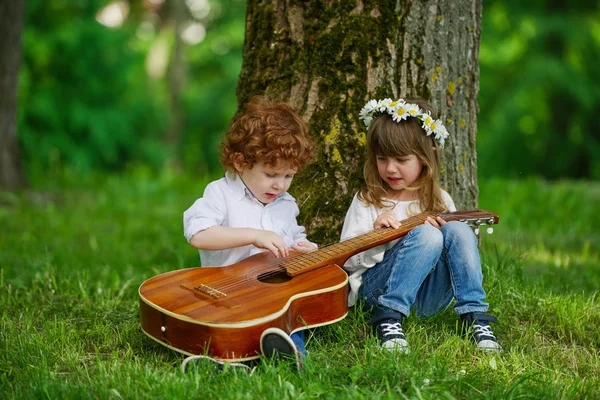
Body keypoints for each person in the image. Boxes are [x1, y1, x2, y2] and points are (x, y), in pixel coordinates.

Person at [340, 97, 501, 354]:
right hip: (376, 295)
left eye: (401, 160)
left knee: (458, 229)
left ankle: (474, 317)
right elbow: (346, 262)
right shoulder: (369, 199)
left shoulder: (439, 200)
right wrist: (375, 237)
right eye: (382, 159)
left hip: (425, 299)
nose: (390, 168)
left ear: (426, 158)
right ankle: (388, 318)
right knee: (427, 234)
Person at [182, 96, 317, 371]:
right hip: (225, 295)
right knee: (226, 328)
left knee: (289, 317)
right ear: (242, 162)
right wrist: (252, 235)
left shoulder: (286, 204)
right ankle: (227, 361)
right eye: (271, 174)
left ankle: (288, 358)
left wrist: (304, 249)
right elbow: (199, 234)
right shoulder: (220, 193)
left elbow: (292, 240)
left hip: (271, 296)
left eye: (289, 176)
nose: (280, 185)